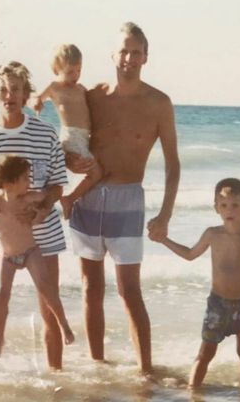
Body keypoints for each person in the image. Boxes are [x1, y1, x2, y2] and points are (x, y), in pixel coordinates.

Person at [67, 22, 181, 374]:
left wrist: (164, 215)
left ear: (145, 57)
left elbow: (172, 164)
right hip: (88, 200)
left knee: (129, 291)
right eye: (123, 50)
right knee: (90, 289)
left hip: (128, 201)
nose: (129, 57)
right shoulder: (93, 96)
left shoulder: (159, 103)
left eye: (136, 51)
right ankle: (97, 366)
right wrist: (71, 163)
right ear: (112, 55)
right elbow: (71, 144)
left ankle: (146, 372)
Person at [0, 61, 69, 370]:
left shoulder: (45, 135)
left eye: (16, 89)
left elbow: (58, 184)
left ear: (25, 94)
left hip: (41, 236)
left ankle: (56, 381)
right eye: (2, 90)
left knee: (48, 307)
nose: (9, 95)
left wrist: (44, 208)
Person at [154, 178, 240, 395]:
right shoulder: (212, 234)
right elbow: (190, 255)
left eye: (235, 205)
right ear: (215, 208)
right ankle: (193, 391)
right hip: (217, 304)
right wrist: (164, 240)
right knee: (206, 353)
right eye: (223, 205)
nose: (229, 210)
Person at [0, 154, 74, 356]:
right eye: (25, 178)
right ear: (9, 183)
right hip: (7, 257)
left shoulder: (28, 198)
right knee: (2, 296)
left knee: (47, 288)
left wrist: (41, 207)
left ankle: (64, 326)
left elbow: (47, 195)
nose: (30, 182)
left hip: (31, 252)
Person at [29, 44, 102, 219]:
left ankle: (58, 197)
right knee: (96, 172)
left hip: (85, 137)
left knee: (95, 170)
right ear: (57, 69)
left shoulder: (81, 89)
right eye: (70, 72)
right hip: (72, 136)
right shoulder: (55, 87)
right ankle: (68, 198)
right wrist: (36, 102)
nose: (75, 76)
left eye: (79, 71)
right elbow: (36, 97)